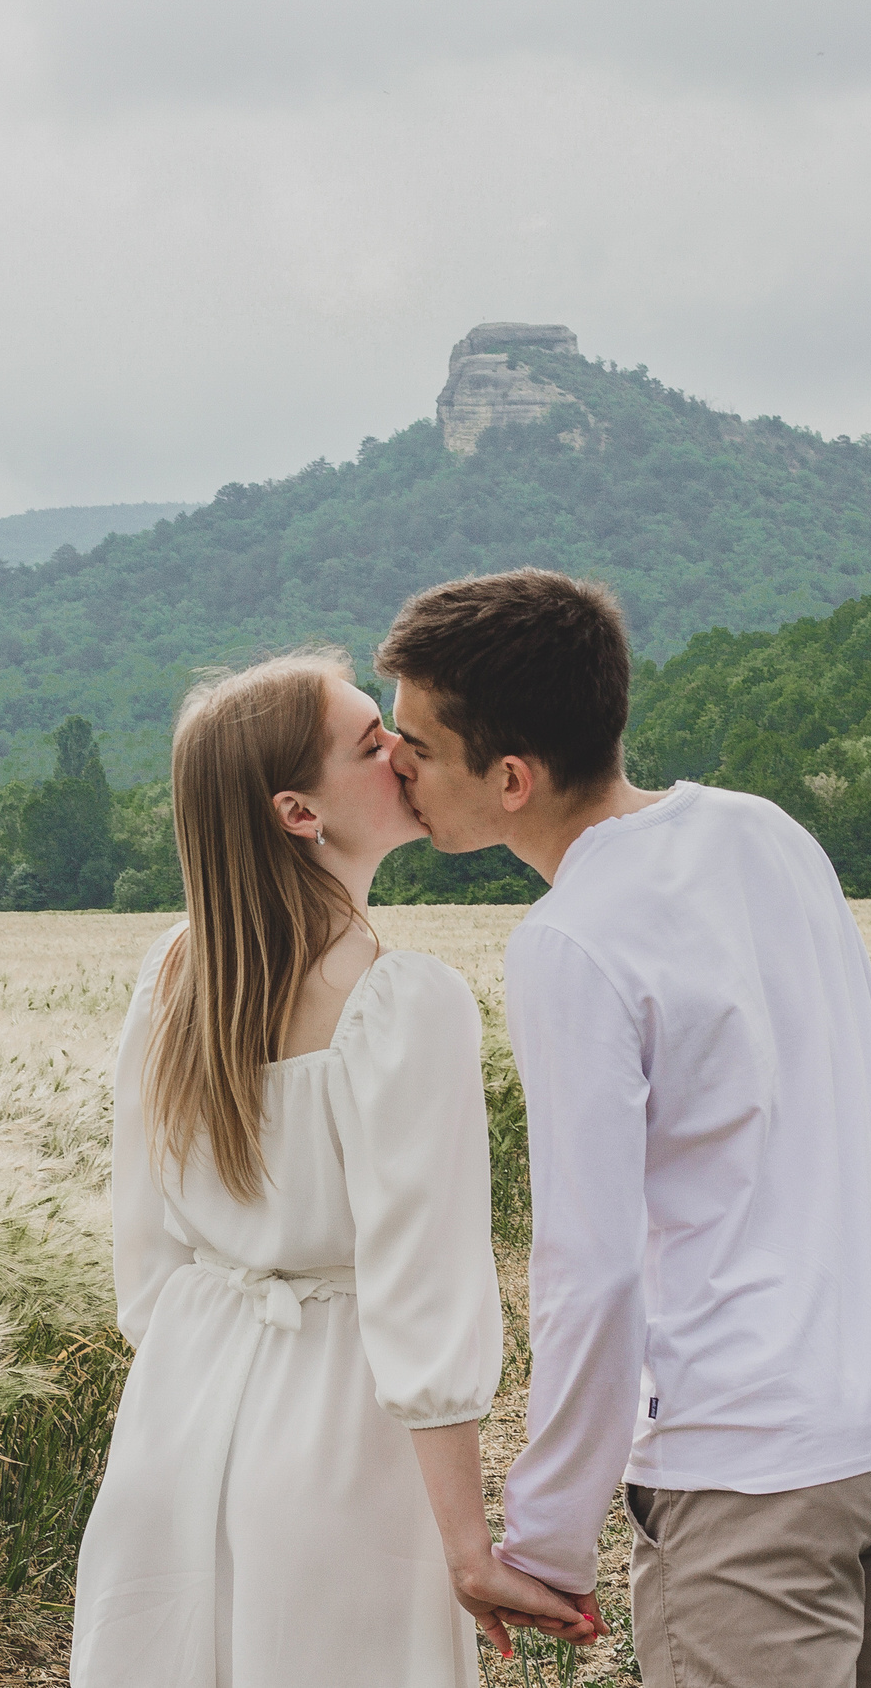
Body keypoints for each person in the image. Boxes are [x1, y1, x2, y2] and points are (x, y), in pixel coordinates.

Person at [378, 572, 871, 1688]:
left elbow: (590, 1270)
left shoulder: (571, 940)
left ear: (509, 779)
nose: (392, 763)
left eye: (413, 742)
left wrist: (548, 1538)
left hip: (756, 1478)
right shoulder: (765, 831)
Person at [70, 649, 594, 1688]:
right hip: (337, 1439)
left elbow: (146, 1256)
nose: (402, 751)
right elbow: (423, 1290)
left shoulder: (174, 973)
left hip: (177, 1419)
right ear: (299, 813)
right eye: (369, 743)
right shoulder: (403, 1003)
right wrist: (464, 1546)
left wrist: (206, 1370)